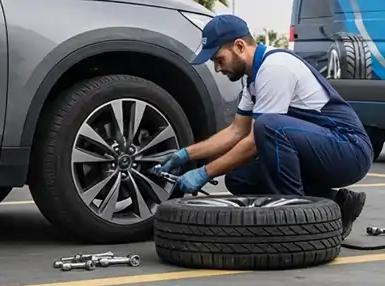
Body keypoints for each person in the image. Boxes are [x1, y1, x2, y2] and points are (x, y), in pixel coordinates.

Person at [157, 14, 374, 237]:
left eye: (218, 59)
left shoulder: (275, 68)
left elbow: (254, 141)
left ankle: (299, 220)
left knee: (269, 127)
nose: (217, 68)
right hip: (323, 149)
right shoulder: (253, 78)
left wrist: (204, 172)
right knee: (239, 178)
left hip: (349, 151)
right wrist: (185, 155)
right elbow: (236, 131)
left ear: (239, 46)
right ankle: (338, 203)